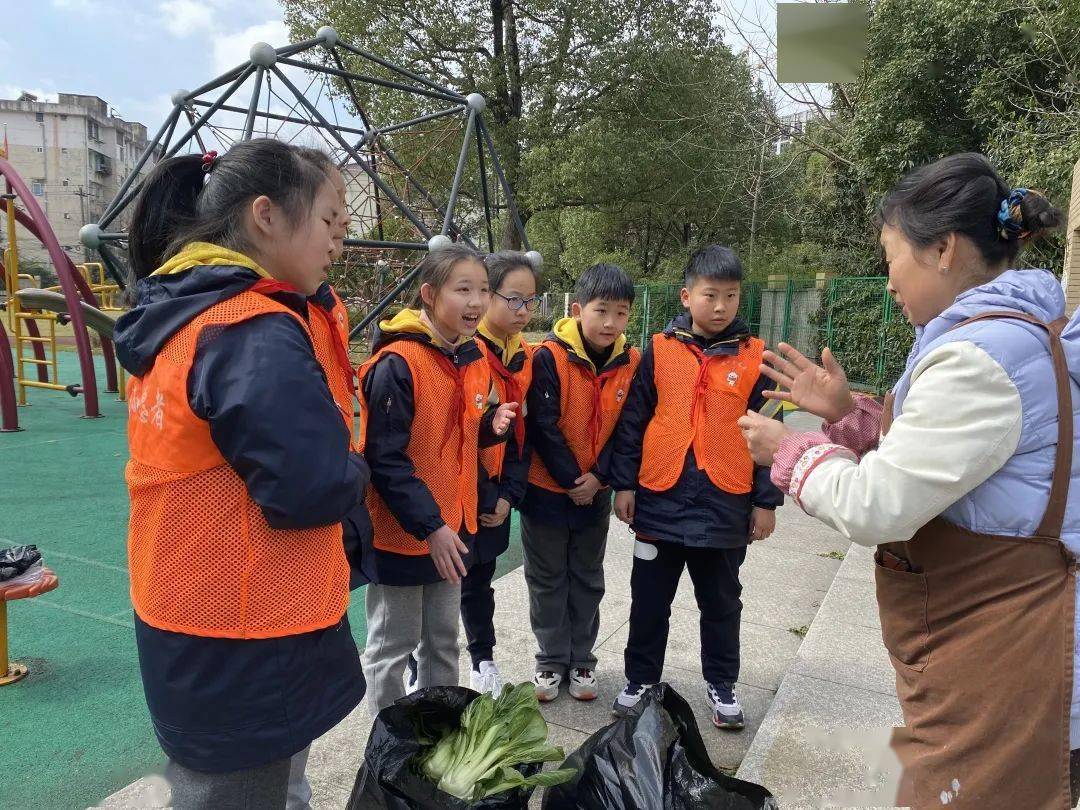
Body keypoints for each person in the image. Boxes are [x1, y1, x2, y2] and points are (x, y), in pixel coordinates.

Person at [737, 153, 1078, 808]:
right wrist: (848, 415)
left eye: (893, 257)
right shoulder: (1027, 333)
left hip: (1003, 658)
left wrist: (793, 449)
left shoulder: (980, 357)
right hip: (1020, 649)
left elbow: (880, 505)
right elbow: (960, 463)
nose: (888, 280)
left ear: (943, 249)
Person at [113, 138, 369, 810]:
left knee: (229, 788)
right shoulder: (248, 327)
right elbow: (308, 485)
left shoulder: (176, 311)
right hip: (248, 627)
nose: (334, 243)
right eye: (326, 222)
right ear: (266, 216)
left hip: (190, 607)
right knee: (248, 792)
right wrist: (358, 468)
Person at [608, 245, 782, 729]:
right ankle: (640, 679)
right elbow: (633, 419)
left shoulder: (755, 357)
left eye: (731, 296)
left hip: (725, 501)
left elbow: (770, 434)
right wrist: (625, 485)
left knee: (722, 602)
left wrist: (766, 502)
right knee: (648, 600)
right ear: (687, 296)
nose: (721, 306)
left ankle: (722, 684)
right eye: (711, 295)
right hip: (659, 496)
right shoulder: (659, 349)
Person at [358, 243, 518, 712]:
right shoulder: (397, 364)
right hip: (406, 535)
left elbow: (458, 434)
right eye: (462, 289)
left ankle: (437, 731)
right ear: (428, 294)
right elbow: (386, 461)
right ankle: (387, 744)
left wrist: (489, 428)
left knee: (444, 642)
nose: (475, 302)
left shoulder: (471, 357)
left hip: (454, 527)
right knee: (392, 647)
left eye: (484, 291)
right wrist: (431, 526)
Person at [519, 263, 640, 702]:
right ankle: (551, 660)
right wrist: (573, 478)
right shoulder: (547, 357)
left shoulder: (632, 362)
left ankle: (582, 661)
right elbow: (544, 428)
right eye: (601, 310)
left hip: (596, 492)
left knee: (587, 577)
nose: (610, 323)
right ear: (576, 310)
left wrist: (599, 478)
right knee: (548, 578)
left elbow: (630, 428)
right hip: (547, 491)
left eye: (621, 313)